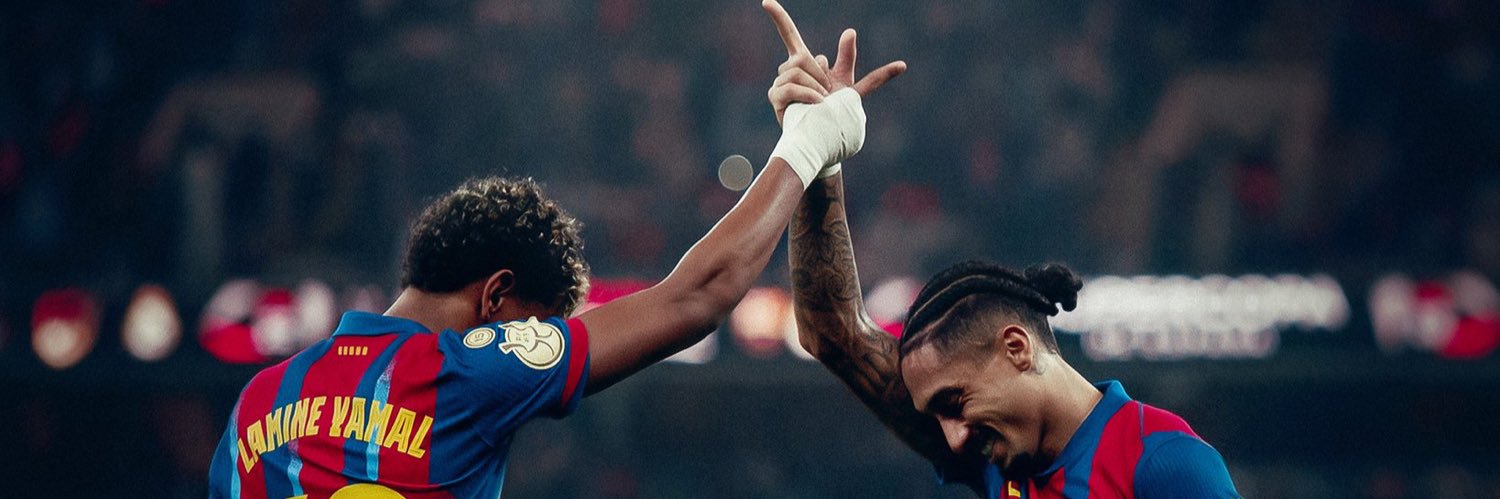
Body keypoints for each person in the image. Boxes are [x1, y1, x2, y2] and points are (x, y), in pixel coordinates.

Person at [206, 2, 905, 495]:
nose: (534, 342)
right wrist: (808, 143)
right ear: (496, 296)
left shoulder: (254, 406)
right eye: (535, 324)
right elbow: (696, 296)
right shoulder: (465, 373)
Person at [765, 7, 1240, 499]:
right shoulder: (992, 449)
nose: (953, 438)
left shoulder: (1163, 464)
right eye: (939, 416)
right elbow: (832, 332)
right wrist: (817, 147)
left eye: (954, 404)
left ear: (1017, 347)